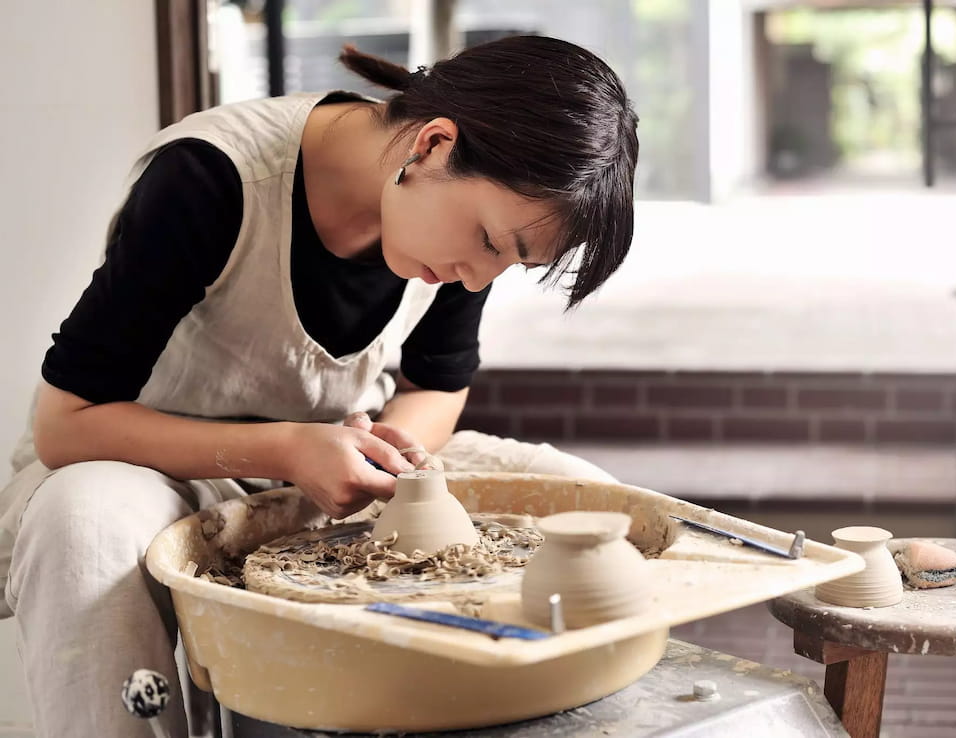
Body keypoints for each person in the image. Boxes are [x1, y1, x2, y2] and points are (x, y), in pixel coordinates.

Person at [0, 34, 638, 737]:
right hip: (151, 462)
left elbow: (436, 386)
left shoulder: (455, 233)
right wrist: (289, 452)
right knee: (80, 524)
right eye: (490, 242)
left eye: (510, 263)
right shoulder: (211, 178)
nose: (481, 277)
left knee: (605, 513)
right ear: (432, 145)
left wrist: (397, 456)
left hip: (333, 455)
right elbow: (68, 424)